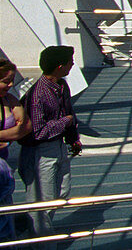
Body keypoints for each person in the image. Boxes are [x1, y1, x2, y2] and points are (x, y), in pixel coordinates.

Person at [18, 46, 82, 241]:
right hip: (40, 152)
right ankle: (41, 242)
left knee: (61, 193)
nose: (73, 64)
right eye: (70, 62)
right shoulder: (37, 95)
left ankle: (33, 230)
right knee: (41, 203)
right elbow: (38, 132)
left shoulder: (61, 86)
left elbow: (67, 110)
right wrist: (67, 122)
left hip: (58, 146)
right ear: (60, 66)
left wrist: (72, 138)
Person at [0, 60, 30, 241]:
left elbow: (25, 127)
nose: (11, 85)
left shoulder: (9, 100)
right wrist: (11, 133)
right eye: (5, 81)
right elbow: (17, 130)